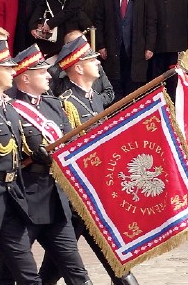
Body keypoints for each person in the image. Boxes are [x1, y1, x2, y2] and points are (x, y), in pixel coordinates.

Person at [39, 36, 138, 285]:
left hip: (97, 200)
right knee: (54, 270)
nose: (97, 63)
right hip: (77, 202)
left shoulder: (95, 98)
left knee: (120, 269)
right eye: (91, 59)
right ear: (78, 67)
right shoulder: (66, 104)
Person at [0, 43, 92, 285]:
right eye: (42, 72)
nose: (49, 75)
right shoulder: (12, 107)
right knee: (16, 274)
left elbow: (69, 143)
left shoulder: (53, 105)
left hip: (53, 198)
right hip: (23, 200)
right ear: (25, 77)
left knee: (76, 271)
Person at [0, 32, 43, 285]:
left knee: (27, 274)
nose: (12, 71)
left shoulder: (9, 107)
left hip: (11, 197)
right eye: (6, 66)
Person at [95, 0, 157, 100]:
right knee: (115, 84)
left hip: (137, 48)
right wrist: (101, 45)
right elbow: (98, 22)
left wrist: (150, 46)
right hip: (112, 48)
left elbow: (151, 22)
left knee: (134, 87)